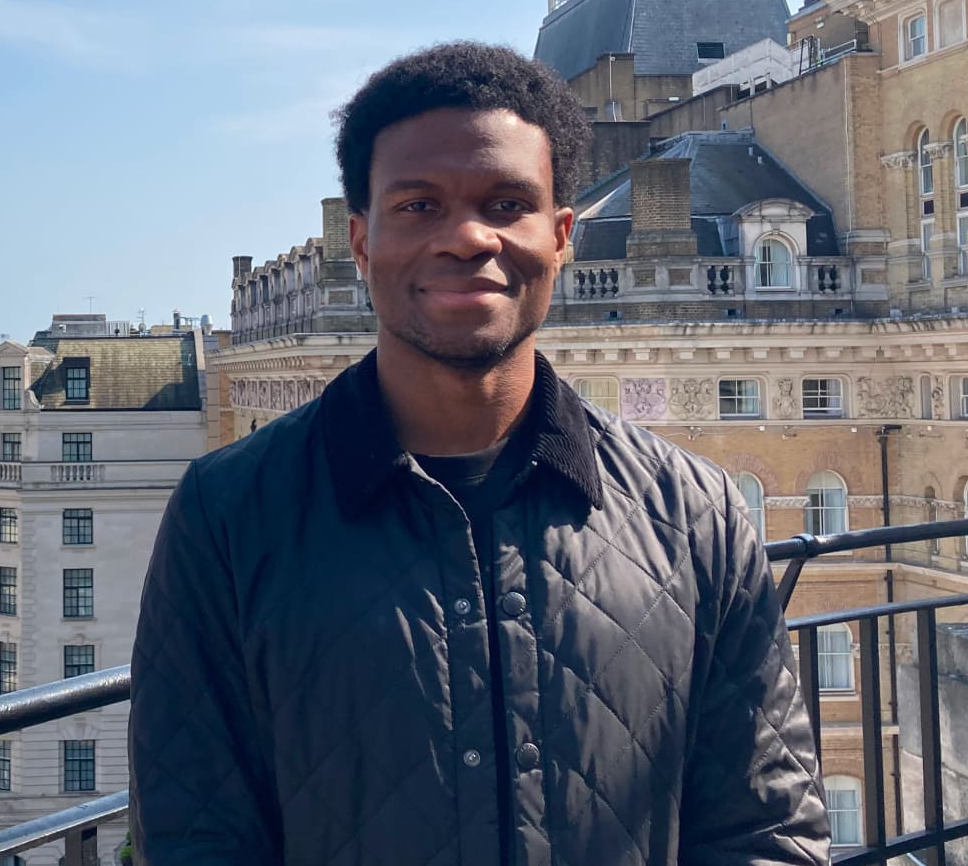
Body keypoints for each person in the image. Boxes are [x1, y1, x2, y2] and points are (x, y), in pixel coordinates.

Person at [129, 42, 828, 865]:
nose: (468, 237)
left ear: (562, 235)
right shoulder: (227, 514)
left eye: (506, 203)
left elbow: (766, 830)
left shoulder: (696, 514)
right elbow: (195, 838)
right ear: (360, 242)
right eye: (419, 206)